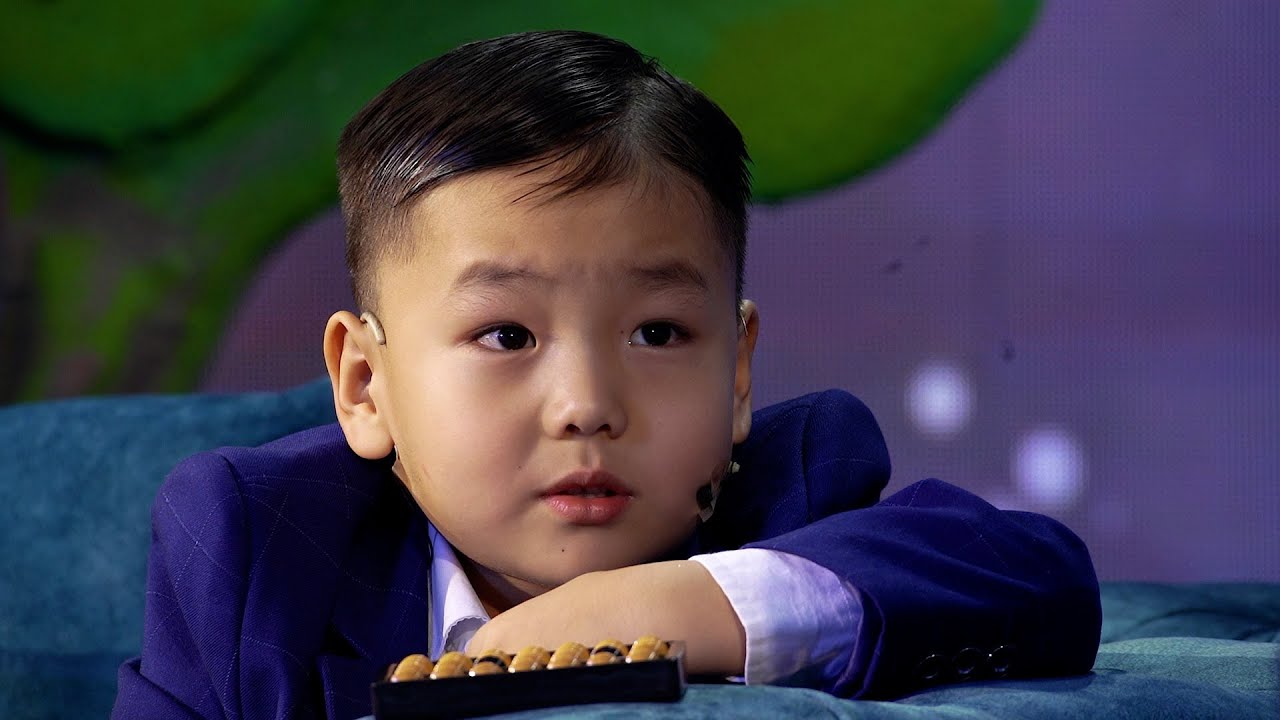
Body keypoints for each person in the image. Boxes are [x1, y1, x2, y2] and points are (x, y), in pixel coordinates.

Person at [113, 29, 1100, 720]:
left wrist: (668, 608)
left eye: (658, 333)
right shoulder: (257, 552)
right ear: (366, 387)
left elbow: (1032, 578)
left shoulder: (794, 487)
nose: (586, 406)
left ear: (738, 374)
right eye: (506, 335)